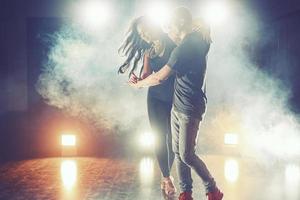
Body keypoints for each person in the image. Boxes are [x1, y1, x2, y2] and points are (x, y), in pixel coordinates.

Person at [128, 7, 223, 200]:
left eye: (169, 26)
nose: (167, 30)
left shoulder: (183, 47)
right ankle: (185, 192)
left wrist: (139, 85)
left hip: (187, 104)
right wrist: (141, 79)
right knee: (178, 153)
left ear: (178, 26)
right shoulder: (191, 41)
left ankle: (212, 189)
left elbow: (160, 78)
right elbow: (151, 76)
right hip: (177, 104)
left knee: (185, 154)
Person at [118, 16, 177, 199]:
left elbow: (165, 75)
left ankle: (165, 173)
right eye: (141, 34)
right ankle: (167, 177)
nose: (144, 35)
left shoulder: (172, 42)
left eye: (146, 30)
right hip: (155, 99)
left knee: (173, 141)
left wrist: (142, 83)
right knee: (159, 137)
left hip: (175, 98)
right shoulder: (147, 49)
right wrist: (139, 80)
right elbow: (147, 74)